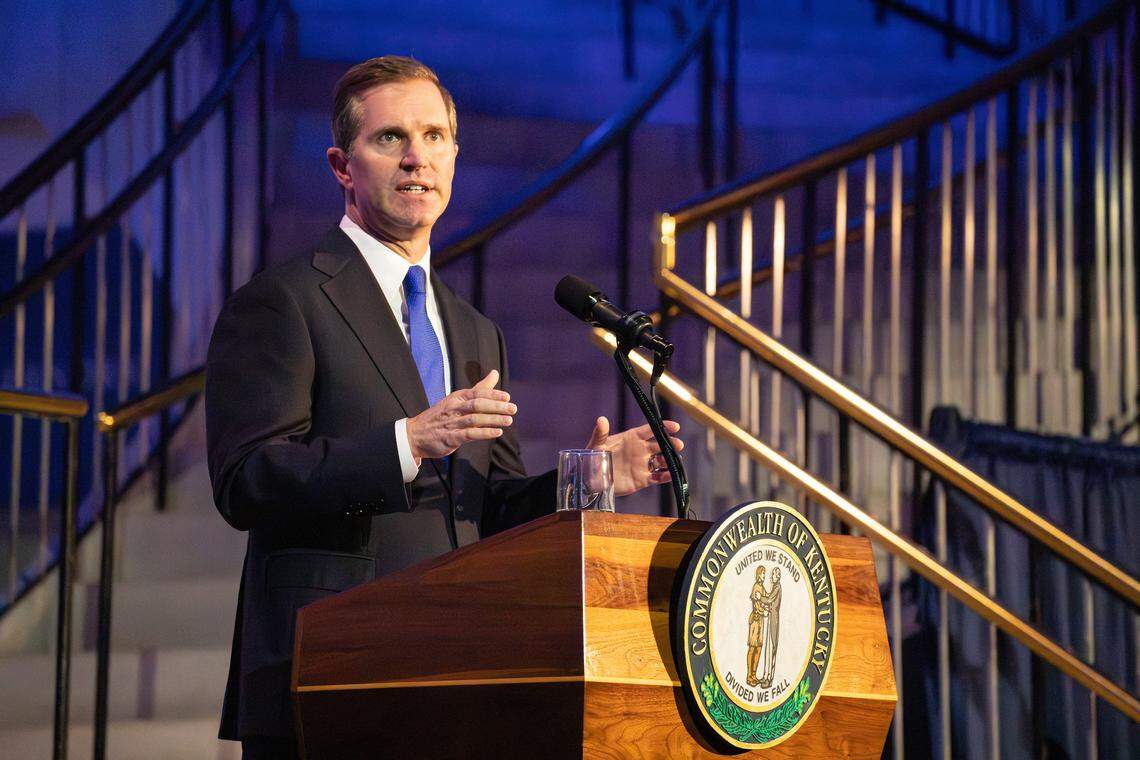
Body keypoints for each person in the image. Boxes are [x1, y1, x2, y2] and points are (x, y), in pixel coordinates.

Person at [204, 55, 683, 758]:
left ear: (456, 156)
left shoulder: (472, 329)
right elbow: (247, 479)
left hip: (456, 671)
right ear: (342, 165)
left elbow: (486, 511)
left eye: (434, 137)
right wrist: (406, 442)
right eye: (390, 138)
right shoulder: (285, 300)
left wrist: (588, 476)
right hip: (327, 675)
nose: (416, 159)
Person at [747, 566, 767, 687]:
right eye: (763, 574)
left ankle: (754, 674)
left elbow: (766, 600)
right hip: (755, 620)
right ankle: (749, 676)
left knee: (759, 648)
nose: (764, 576)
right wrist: (762, 612)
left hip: (761, 622)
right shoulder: (756, 587)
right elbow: (756, 605)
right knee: (752, 648)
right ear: (759, 574)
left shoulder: (763, 588)